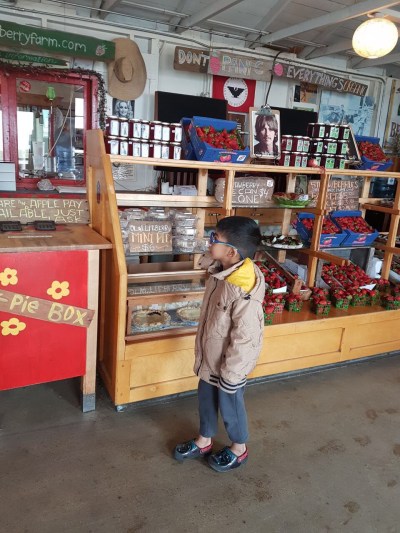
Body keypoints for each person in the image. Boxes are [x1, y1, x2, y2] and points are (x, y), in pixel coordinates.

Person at [174, 216, 265, 473]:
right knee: (206, 398)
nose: (209, 241)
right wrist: (212, 253)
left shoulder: (243, 286)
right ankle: (204, 441)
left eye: (215, 238)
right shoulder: (224, 268)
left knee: (230, 405)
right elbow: (208, 259)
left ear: (231, 252)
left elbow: (247, 336)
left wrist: (233, 372)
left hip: (230, 364)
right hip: (211, 355)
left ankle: (239, 447)